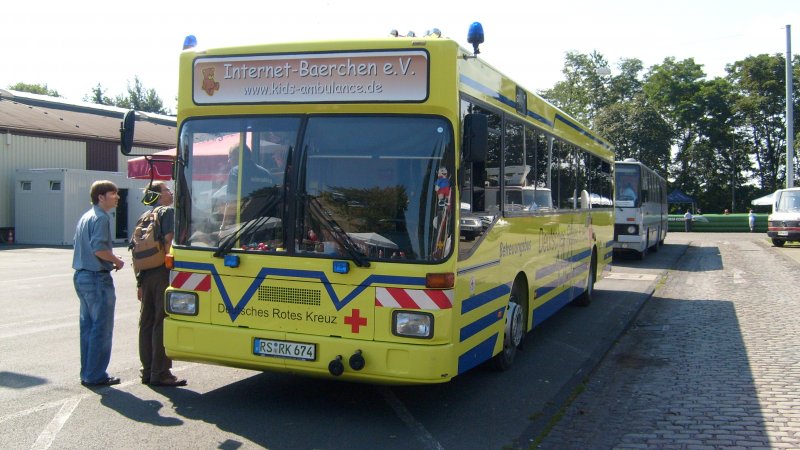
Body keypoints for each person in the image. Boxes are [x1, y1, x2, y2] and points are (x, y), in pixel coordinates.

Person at [72, 180, 125, 387]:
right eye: (113, 194)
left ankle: (88, 372)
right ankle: (95, 375)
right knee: (101, 328)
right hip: (96, 278)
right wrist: (117, 260)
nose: (117, 197)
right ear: (101, 197)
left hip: (82, 276)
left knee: (88, 327)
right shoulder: (101, 218)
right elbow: (99, 250)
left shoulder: (87, 216)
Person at [135, 181, 187, 387]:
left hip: (145, 273)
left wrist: (139, 281)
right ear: (158, 195)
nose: (171, 192)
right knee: (161, 321)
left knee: (145, 322)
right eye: (166, 190)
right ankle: (161, 372)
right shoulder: (167, 212)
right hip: (162, 272)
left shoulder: (145, 216)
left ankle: (147, 370)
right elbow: (168, 241)